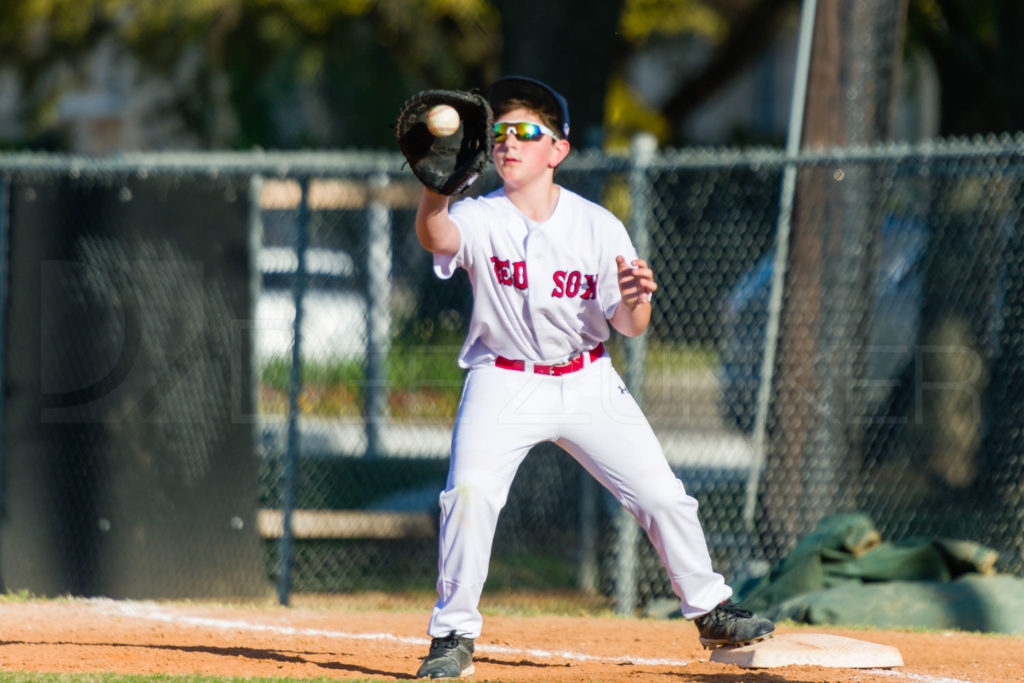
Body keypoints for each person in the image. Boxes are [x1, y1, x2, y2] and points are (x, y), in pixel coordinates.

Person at [411, 75, 775, 680]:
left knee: (662, 495)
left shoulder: (598, 225)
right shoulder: (478, 215)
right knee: (469, 496)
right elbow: (437, 234)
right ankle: (452, 635)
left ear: (558, 150)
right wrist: (434, 191)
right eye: (500, 133)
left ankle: (711, 609)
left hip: (587, 380)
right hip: (503, 380)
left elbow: (629, 325)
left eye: (527, 132)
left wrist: (637, 297)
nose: (509, 142)